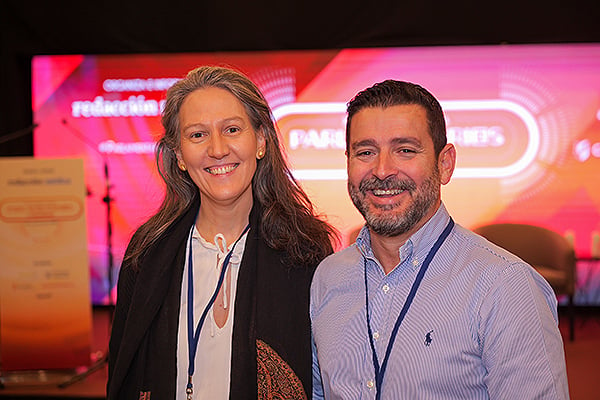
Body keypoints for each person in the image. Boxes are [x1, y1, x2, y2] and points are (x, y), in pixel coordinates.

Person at [310, 80, 569, 399]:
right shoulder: (327, 277)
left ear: (445, 164)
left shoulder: (506, 287)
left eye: (405, 150)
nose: (381, 170)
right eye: (366, 152)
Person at [107, 66, 337, 399]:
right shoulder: (147, 253)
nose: (217, 149)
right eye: (197, 135)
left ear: (260, 141)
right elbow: (122, 376)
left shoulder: (306, 251)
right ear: (180, 156)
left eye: (231, 129)